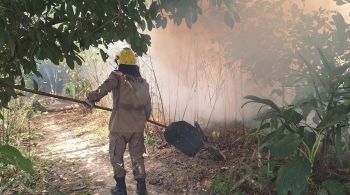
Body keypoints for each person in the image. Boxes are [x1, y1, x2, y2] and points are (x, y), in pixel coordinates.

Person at [85, 48, 152, 195]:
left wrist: (91, 98)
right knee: (137, 157)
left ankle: (121, 189)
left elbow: (103, 89)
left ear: (120, 62)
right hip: (137, 128)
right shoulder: (144, 83)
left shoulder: (117, 76)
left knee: (116, 156)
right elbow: (148, 108)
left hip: (119, 126)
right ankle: (142, 190)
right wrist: (141, 121)